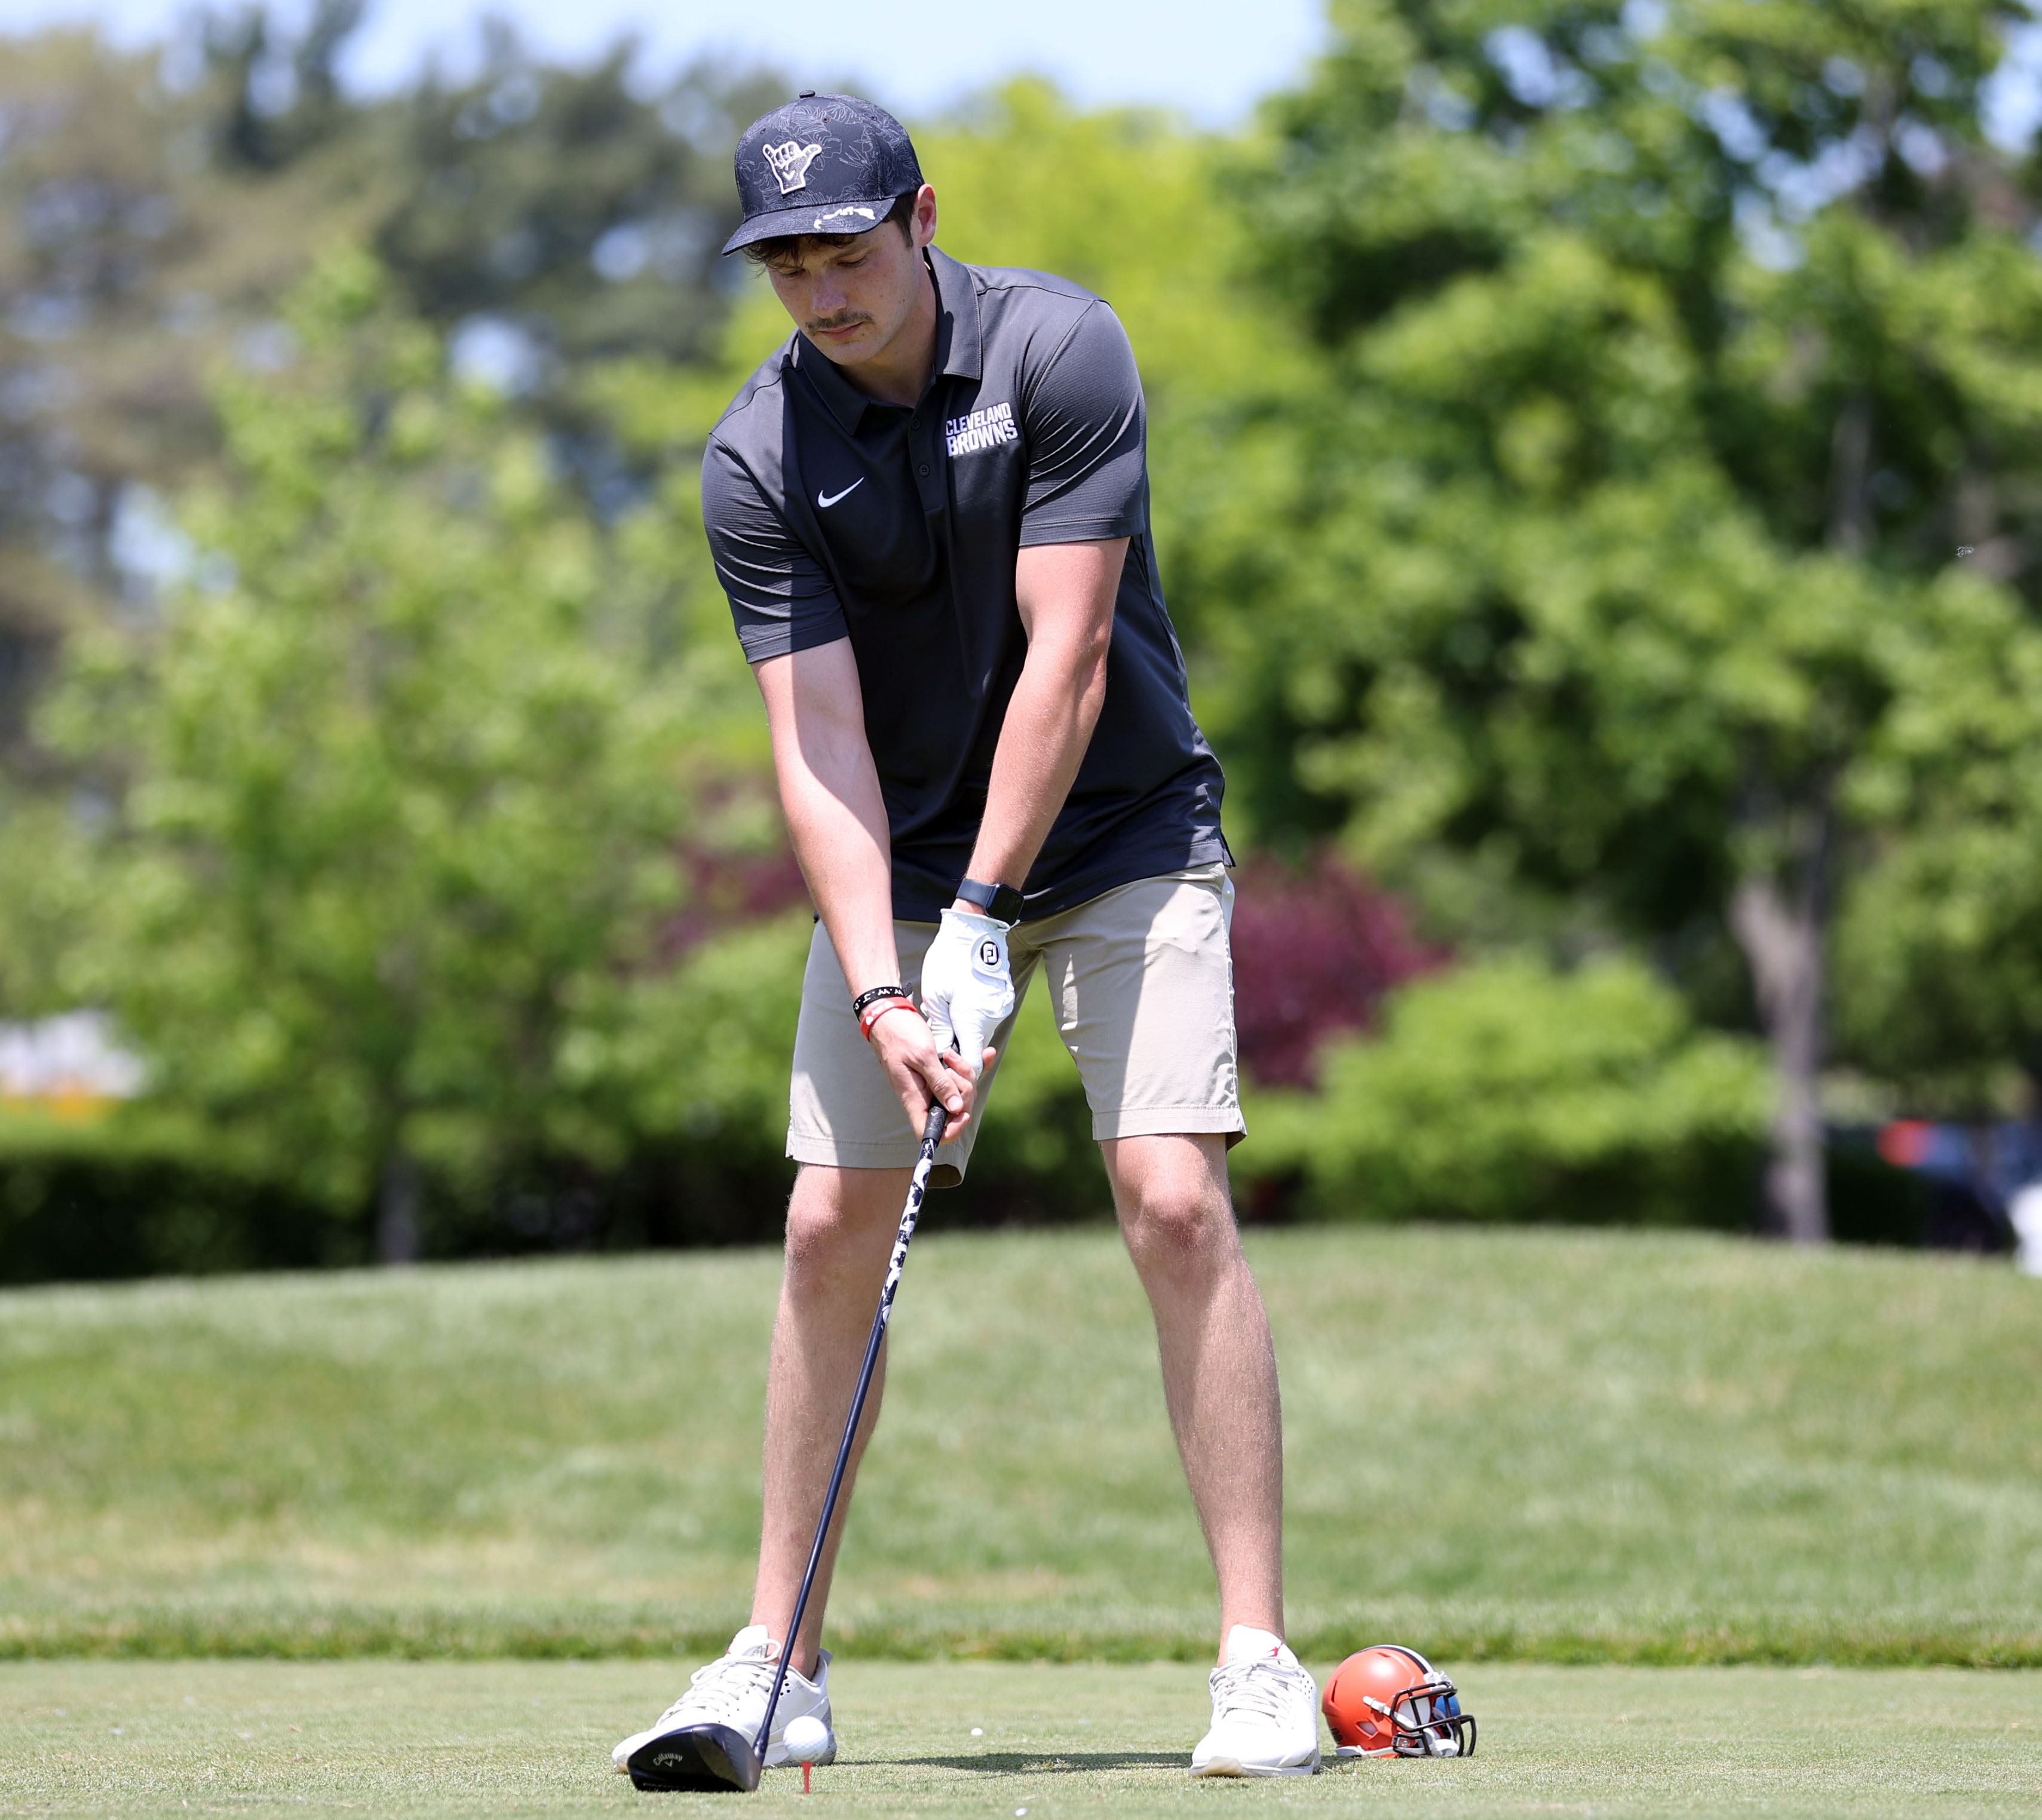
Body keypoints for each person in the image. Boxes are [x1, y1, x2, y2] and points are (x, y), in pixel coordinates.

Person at [611, 92, 1317, 1780]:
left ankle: (1255, 1661)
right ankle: (777, 1661)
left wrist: (988, 917)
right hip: (905, 869)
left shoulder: (1057, 351)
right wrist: (878, 982)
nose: (819, 291)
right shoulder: (755, 459)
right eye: (784, 264)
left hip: (1125, 834)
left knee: (1167, 1193)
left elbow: (1065, 659)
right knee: (822, 1228)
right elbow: (819, 750)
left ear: (920, 217)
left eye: (845, 253)